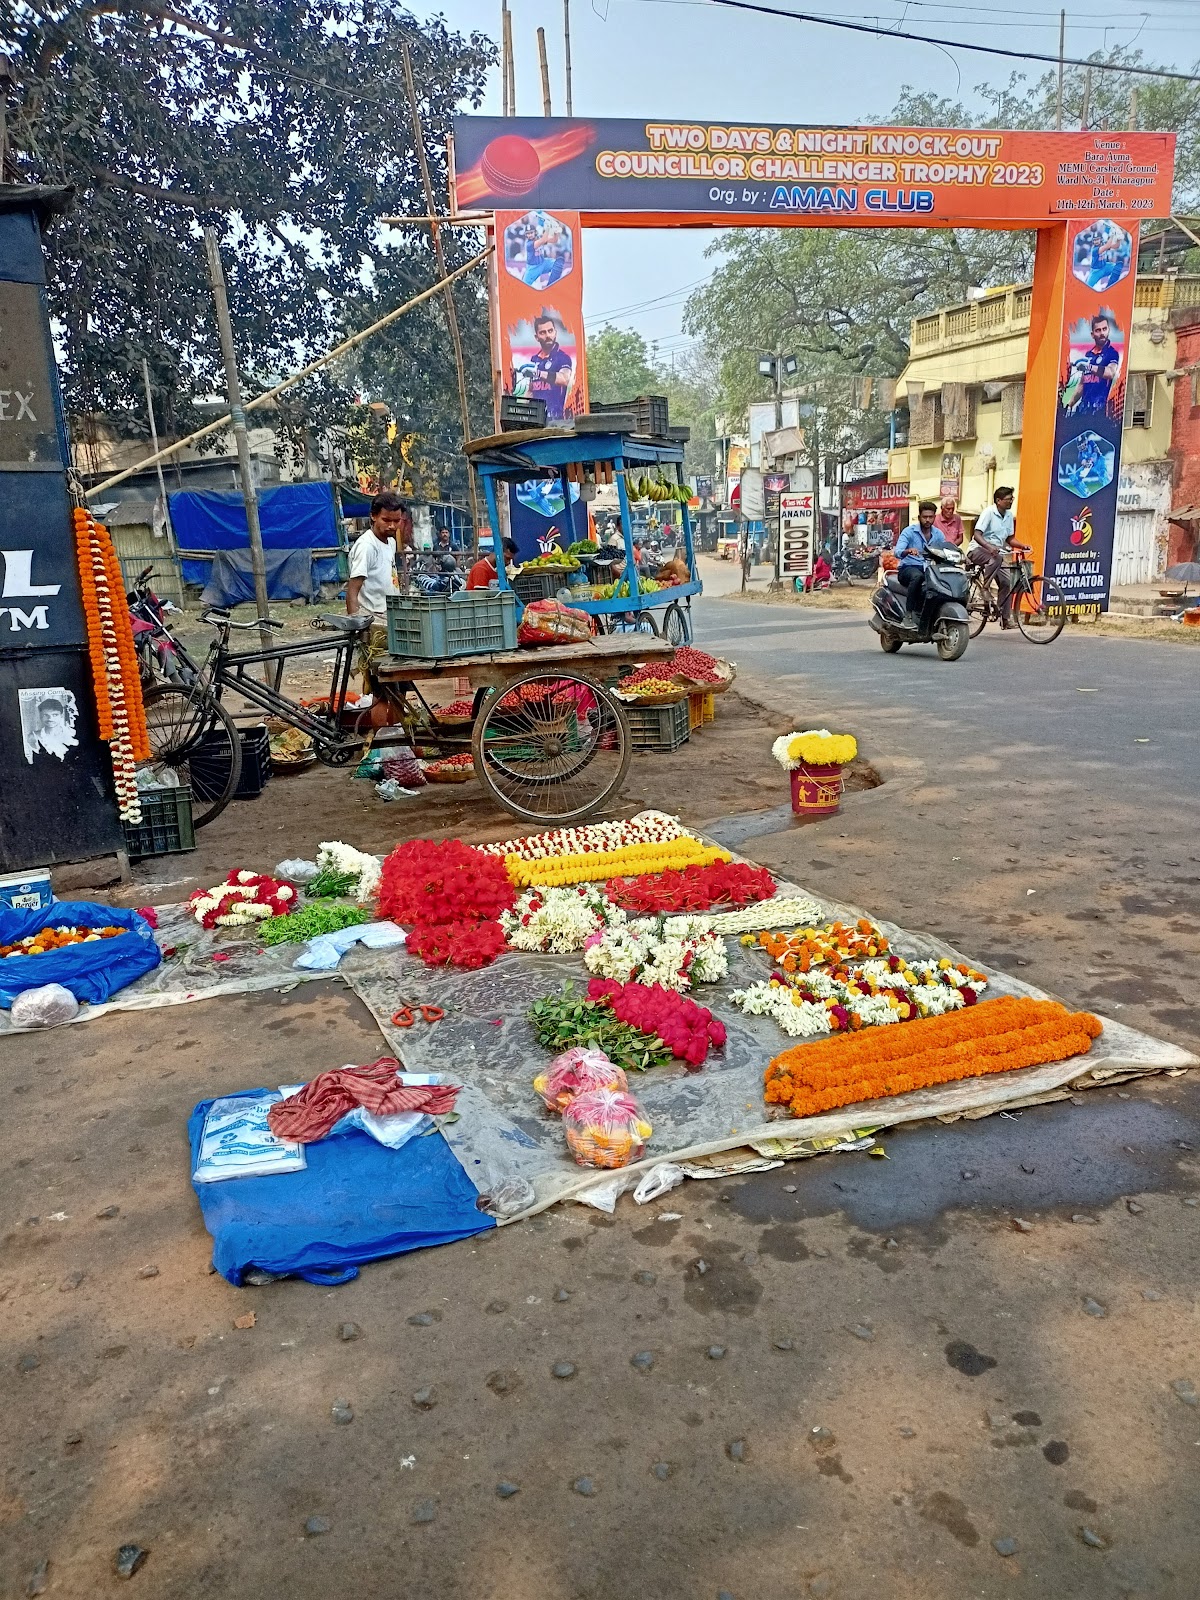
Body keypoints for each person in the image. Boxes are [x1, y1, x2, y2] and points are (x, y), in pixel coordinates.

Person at [346, 491, 406, 621]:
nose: (392, 526)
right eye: (386, 520)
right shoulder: (366, 546)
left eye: (396, 521)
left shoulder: (391, 542)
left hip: (390, 612)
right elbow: (352, 592)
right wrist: (356, 625)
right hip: (372, 616)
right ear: (373, 516)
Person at [966, 485, 1016, 628]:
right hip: (978, 550)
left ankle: (1004, 618)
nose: (1011, 501)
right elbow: (977, 535)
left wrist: (1023, 545)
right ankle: (985, 589)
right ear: (998, 501)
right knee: (997, 558)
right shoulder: (988, 512)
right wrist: (989, 547)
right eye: (1008, 499)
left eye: (1012, 498)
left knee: (1007, 582)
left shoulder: (1009, 516)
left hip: (996, 554)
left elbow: (1010, 538)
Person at [894, 501, 947, 619]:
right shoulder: (909, 532)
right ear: (919, 517)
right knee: (918, 577)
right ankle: (909, 613)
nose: (927, 520)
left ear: (934, 517)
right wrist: (908, 551)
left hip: (930, 570)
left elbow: (945, 549)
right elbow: (897, 552)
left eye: (930, 517)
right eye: (925, 517)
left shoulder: (938, 534)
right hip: (908, 568)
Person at [529, 314, 573, 421]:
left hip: (556, 419)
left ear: (555, 333)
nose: (547, 335)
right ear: (537, 337)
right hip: (536, 420)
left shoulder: (563, 357)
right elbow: (530, 390)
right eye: (543, 333)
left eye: (550, 331)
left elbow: (564, 379)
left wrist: (538, 373)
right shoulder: (534, 360)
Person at [1076, 314, 1121, 413]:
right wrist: (1069, 405)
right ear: (1092, 334)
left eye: (1104, 329)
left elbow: (1110, 373)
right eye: (1098, 330)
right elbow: (1081, 384)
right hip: (1084, 408)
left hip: (1100, 409)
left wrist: (1089, 367)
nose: (1102, 333)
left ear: (1108, 330)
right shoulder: (1088, 354)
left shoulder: (1111, 353)